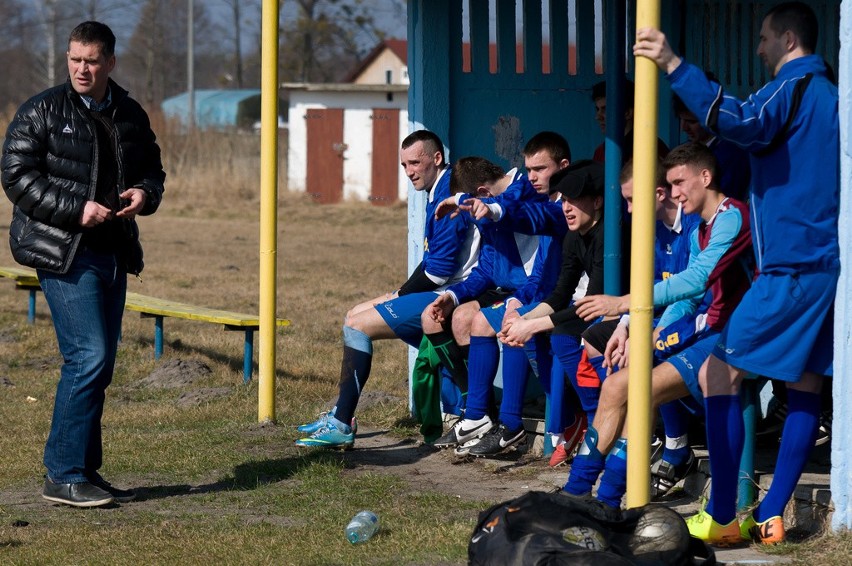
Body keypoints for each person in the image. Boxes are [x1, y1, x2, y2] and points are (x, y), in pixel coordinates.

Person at [634, 1, 839, 545]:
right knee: (805, 389)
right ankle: (770, 514)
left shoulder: (793, 85)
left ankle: (723, 514)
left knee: (715, 374)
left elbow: (742, 122)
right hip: (825, 267)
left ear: (790, 39)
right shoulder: (833, 96)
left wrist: (675, 64)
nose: (759, 48)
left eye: (765, 38)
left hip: (789, 269)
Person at [1, 21, 165, 508]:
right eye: (74, 59)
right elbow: (15, 175)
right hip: (62, 251)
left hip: (114, 251)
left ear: (110, 63)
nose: (81, 68)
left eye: (91, 60)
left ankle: (85, 471)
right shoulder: (42, 110)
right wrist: (77, 208)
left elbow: (152, 169)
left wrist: (144, 194)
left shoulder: (130, 113)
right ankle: (63, 473)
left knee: (101, 363)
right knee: (88, 357)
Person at [565, 142, 753, 509]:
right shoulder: (695, 225)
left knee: (638, 389)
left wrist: (628, 308)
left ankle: (611, 497)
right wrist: (633, 328)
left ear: (705, 177)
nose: (677, 193)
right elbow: (680, 294)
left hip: (727, 334)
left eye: (679, 183)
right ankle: (578, 492)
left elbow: (696, 283)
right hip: (699, 329)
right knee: (616, 385)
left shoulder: (725, 217)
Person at [295, 130, 477, 449]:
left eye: (415, 163)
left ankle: (341, 424)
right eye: (404, 165)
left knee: (357, 325)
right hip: (442, 290)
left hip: (454, 297)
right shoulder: (438, 190)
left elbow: (438, 272)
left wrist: (400, 295)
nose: (409, 172)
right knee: (353, 313)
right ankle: (343, 413)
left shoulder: (449, 193)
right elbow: (431, 263)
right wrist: (398, 292)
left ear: (436, 159)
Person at [424, 154, 565, 451]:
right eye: (531, 168)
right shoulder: (492, 206)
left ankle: (511, 423)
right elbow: (487, 267)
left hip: (537, 289)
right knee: (467, 318)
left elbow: (515, 207)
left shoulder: (525, 189)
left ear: (484, 194)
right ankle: (476, 415)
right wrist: (452, 296)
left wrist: (481, 205)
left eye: (539, 168)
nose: (534, 174)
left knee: (508, 321)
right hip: (513, 290)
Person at [673, 88, 751, 202]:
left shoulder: (732, 154)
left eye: (691, 122)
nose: (683, 128)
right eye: (681, 120)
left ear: (710, 119)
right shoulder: (684, 150)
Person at [590, 79, 669, 165]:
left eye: (605, 109)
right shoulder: (601, 151)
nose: (598, 117)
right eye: (597, 109)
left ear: (627, 113)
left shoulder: (650, 150)